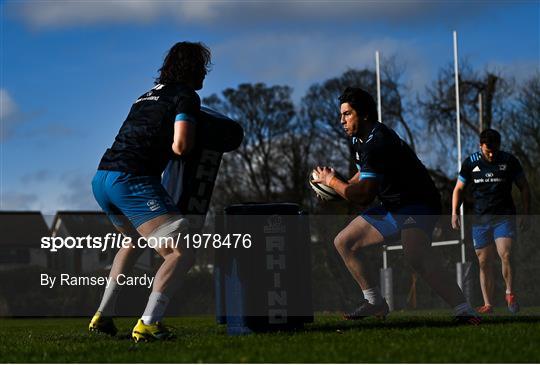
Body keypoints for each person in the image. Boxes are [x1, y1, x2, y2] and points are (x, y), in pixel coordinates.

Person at [313, 87, 479, 324]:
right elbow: (358, 182)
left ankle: (464, 310)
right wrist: (334, 189)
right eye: (341, 114)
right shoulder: (361, 141)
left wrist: (332, 181)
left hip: (418, 203)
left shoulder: (377, 142)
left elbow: (364, 196)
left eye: (347, 114)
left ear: (365, 115)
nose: (342, 120)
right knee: (343, 241)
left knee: (414, 253)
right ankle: (375, 302)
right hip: (393, 206)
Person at [88, 41, 211, 341]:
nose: (205, 74)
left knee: (132, 241)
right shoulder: (186, 96)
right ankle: (149, 323)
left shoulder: (143, 97)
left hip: (103, 178)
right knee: (181, 252)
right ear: (194, 69)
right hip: (131, 180)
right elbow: (180, 146)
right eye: (203, 68)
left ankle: (102, 316)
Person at [452, 129, 530, 314]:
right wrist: (454, 212)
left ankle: (510, 293)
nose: (492, 154)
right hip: (480, 220)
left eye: (495, 149)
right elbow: (458, 189)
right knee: (484, 262)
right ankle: (488, 304)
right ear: (480, 147)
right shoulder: (470, 163)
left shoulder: (509, 161)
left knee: (506, 254)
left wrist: (526, 213)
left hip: (504, 218)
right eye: (488, 151)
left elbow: (524, 187)